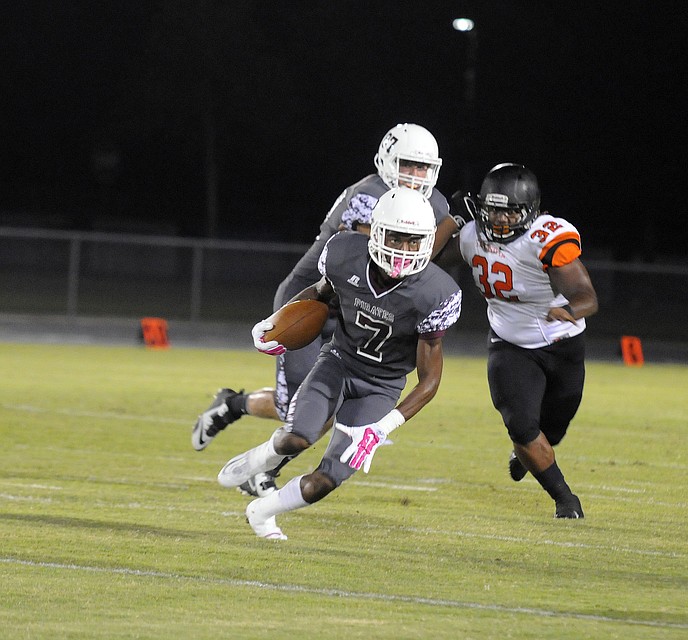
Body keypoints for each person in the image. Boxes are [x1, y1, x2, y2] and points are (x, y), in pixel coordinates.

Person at [191, 123, 462, 497]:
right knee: (297, 407)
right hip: (315, 303)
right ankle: (233, 406)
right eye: (407, 165)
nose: (414, 176)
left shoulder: (432, 204)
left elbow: (412, 269)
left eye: (422, 167)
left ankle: (262, 466)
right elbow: (388, 260)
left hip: (359, 312)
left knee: (324, 405)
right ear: (386, 161)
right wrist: (450, 226)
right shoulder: (369, 196)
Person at [217, 187, 462, 539]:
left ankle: (262, 512)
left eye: (414, 242)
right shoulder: (345, 253)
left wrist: (383, 428)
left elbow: (429, 382)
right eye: (396, 238)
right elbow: (318, 294)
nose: (404, 250)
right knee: (298, 437)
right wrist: (273, 322)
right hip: (339, 363)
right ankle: (260, 459)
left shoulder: (437, 294)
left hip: (381, 387)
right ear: (377, 232)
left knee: (326, 480)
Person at [447, 163, 598, 519]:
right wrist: (452, 221)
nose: (500, 219)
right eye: (493, 209)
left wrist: (571, 310)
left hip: (563, 343)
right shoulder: (471, 236)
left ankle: (526, 455)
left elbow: (588, 297)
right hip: (509, 343)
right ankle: (565, 499)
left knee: (554, 429)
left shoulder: (544, 239)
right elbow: (429, 258)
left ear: (530, 211)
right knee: (522, 426)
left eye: (510, 211)